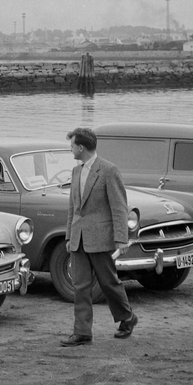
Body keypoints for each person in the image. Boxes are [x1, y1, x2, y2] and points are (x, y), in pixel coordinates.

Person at [59, 127, 137, 346]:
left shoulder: (109, 170)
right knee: (80, 286)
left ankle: (127, 318)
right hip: (78, 239)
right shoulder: (76, 172)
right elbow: (73, 208)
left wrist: (121, 240)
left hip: (102, 239)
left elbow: (120, 208)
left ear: (81, 147)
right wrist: (69, 236)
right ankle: (82, 332)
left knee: (109, 282)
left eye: (72, 145)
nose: (70, 149)